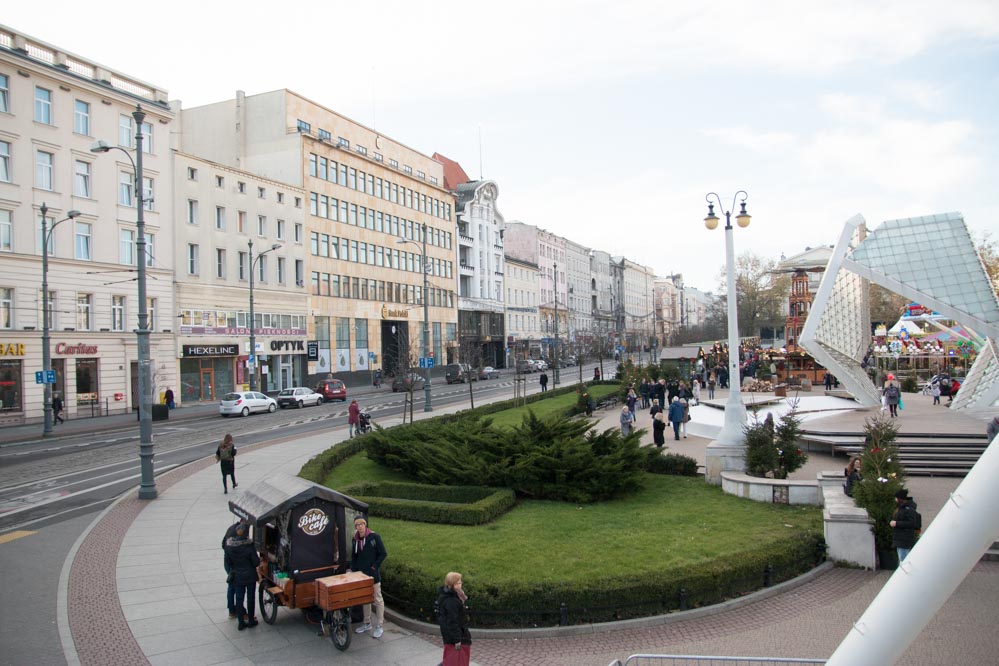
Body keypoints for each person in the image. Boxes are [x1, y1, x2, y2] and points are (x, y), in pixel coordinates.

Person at [351, 515, 387, 638]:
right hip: (361, 575)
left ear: (365, 525)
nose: (360, 527)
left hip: (373, 575)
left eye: (361, 524)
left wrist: (374, 566)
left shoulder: (374, 537)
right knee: (365, 598)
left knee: (378, 598)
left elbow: (383, 553)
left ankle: (380, 625)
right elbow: (354, 556)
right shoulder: (355, 540)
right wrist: (353, 570)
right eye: (357, 525)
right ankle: (367, 622)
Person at [224, 524, 259, 630]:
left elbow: (228, 562)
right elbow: (256, 562)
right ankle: (251, 620)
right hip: (250, 576)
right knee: (250, 598)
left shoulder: (229, 547)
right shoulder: (249, 546)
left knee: (239, 599)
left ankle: (240, 622)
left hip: (237, 576)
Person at [437, 571, 472, 666]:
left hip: (453, 636)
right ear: (454, 585)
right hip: (457, 637)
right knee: (456, 661)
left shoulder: (451, 596)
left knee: (452, 660)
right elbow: (452, 622)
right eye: (459, 582)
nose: (461, 583)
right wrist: (457, 640)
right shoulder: (451, 601)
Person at [222, 519, 247, 618]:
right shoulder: (238, 532)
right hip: (233, 564)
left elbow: (223, 544)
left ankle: (232, 610)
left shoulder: (232, 528)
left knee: (231, 586)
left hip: (228, 561)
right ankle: (238, 611)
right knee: (235, 587)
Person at [889, 489, 919, 562]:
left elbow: (912, 523)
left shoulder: (908, 509)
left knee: (903, 559)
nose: (895, 499)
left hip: (904, 539)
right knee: (901, 557)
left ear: (900, 498)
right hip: (900, 538)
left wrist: (896, 523)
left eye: (896, 498)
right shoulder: (902, 507)